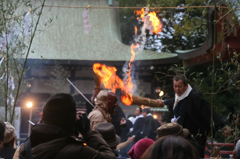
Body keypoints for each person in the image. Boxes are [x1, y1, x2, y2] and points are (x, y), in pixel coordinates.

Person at [13, 93, 115, 159]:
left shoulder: (25, 148)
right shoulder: (79, 152)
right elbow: (110, 157)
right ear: (72, 121)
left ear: (44, 118)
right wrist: (88, 132)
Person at [157, 74, 231, 158]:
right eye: (175, 86)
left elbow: (209, 110)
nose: (177, 89)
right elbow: (173, 101)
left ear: (186, 85)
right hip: (181, 135)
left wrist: (222, 126)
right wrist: (164, 102)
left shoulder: (195, 96)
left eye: (180, 86)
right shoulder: (178, 96)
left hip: (196, 136)